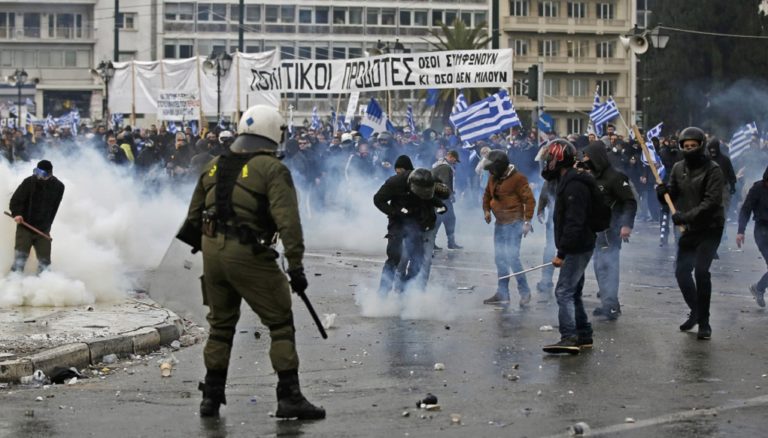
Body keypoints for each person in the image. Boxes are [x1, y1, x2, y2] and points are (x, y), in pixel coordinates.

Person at [183, 105, 325, 419]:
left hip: (211, 253)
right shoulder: (271, 168)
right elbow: (288, 221)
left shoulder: (214, 165)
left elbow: (193, 217)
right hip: (247, 252)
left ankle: (211, 396)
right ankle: (289, 396)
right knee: (280, 323)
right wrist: (296, 266)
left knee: (220, 327)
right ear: (273, 132)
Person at [656, 127, 725, 340]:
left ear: (701, 146)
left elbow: (711, 202)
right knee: (681, 271)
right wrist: (662, 194)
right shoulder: (678, 168)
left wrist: (685, 217)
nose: (689, 149)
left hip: (710, 227)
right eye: (686, 147)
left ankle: (704, 322)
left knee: (702, 272)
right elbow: (673, 194)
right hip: (690, 229)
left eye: (693, 146)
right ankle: (696, 310)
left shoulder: (713, 170)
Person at [539, 140, 597, 354]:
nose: (547, 164)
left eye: (549, 159)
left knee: (563, 291)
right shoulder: (568, 181)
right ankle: (584, 334)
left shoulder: (574, 184)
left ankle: (569, 337)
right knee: (573, 291)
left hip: (577, 245)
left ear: (558, 159)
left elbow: (574, 222)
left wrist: (562, 253)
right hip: (578, 243)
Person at [582, 141, 637, 320]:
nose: (585, 160)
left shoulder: (615, 177)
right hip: (596, 230)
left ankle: (611, 305)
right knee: (599, 267)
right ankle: (609, 302)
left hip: (611, 230)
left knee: (608, 267)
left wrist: (626, 224)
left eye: (588, 157)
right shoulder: (592, 177)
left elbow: (630, 201)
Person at [373, 166, 448, 295]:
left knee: (418, 259)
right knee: (394, 256)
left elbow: (439, 195)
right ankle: (382, 294)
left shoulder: (429, 180)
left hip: (417, 223)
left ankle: (405, 292)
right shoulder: (395, 182)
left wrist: (441, 203)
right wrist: (394, 212)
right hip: (398, 221)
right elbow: (378, 199)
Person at [482, 150, 535, 306]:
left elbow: (529, 200)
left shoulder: (518, 179)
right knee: (500, 258)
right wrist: (486, 210)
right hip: (500, 223)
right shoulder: (493, 177)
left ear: (500, 166)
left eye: (492, 168)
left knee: (512, 258)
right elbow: (486, 195)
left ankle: (525, 292)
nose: (490, 171)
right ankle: (502, 294)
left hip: (514, 223)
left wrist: (527, 222)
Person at [9, 160, 65, 273]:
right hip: (25, 226)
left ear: (49, 174)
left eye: (42, 173)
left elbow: (54, 208)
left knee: (45, 262)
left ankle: (42, 286)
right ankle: (13, 284)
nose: (38, 176)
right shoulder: (29, 182)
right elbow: (15, 201)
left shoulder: (59, 187)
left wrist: (47, 226)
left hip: (43, 231)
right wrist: (17, 214)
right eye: (36, 172)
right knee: (20, 259)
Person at [736, 165, 768, 308]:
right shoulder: (757, 189)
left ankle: (759, 288)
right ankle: (759, 288)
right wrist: (740, 231)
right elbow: (746, 210)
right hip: (762, 231)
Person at [432, 149, 462, 250]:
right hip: (442, 198)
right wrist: (450, 195)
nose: (455, 162)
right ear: (451, 157)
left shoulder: (440, 165)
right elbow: (445, 184)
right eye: (455, 160)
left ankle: (447, 242)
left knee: (444, 219)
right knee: (447, 219)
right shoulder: (445, 167)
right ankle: (449, 243)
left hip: (438, 197)